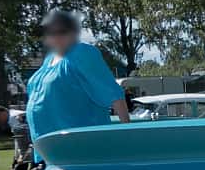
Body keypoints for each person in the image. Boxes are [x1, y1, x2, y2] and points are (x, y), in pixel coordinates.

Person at [24, 8, 129, 144]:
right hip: (48, 145)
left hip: (81, 144)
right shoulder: (49, 58)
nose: (55, 35)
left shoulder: (82, 53)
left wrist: (127, 134)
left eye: (61, 31)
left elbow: (113, 93)